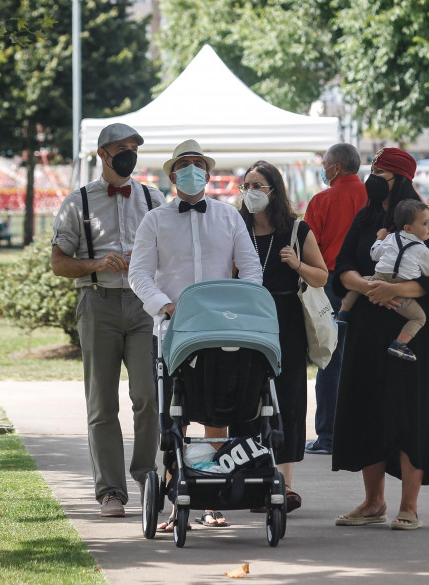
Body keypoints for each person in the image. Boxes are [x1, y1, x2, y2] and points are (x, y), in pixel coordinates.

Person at [129, 139, 263, 529]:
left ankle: (212, 496)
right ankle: (176, 501)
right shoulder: (154, 220)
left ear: (207, 171)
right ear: (172, 175)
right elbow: (138, 274)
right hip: (173, 329)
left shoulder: (228, 217)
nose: (193, 169)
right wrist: (164, 303)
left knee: (217, 411)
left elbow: (251, 267)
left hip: (222, 329)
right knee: (174, 416)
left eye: (198, 163)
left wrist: (242, 302)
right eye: (185, 164)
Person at [331, 147, 429, 531]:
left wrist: (391, 291)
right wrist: (370, 287)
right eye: (373, 169)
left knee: (409, 411)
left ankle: (409, 506)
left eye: (380, 171)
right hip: (368, 326)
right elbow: (343, 268)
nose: (372, 176)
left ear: (399, 178)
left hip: (410, 333)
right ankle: (372, 502)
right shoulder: (364, 219)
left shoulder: (428, 220)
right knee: (368, 408)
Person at [51, 123, 164, 517]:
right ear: (103, 154)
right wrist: (98, 262)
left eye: (134, 147)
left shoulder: (154, 198)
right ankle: (110, 491)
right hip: (97, 302)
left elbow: (170, 253)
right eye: (121, 147)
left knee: (149, 397)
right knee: (101, 402)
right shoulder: (77, 202)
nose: (129, 153)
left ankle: (146, 473)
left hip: (143, 305)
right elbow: (58, 263)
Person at [235, 160, 328, 512]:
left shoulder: (296, 230)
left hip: (286, 321)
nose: (251, 192)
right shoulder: (237, 227)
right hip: (246, 322)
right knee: (245, 398)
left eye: (258, 185)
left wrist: (297, 264)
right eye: (246, 186)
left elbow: (321, 276)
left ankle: (285, 486)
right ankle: (248, 479)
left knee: (287, 399)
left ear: (274, 190)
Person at [302, 143, 367, 455]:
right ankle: (364, 432)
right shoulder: (373, 198)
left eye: (325, 163)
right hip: (370, 286)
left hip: (330, 285)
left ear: (337, 167)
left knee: (330, 359)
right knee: (366, 359)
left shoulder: (321, 200)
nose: (323, 168)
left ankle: (328, 436)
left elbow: (308, 246)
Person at [337, 199, 429, 362]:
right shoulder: (423, 251)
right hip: (400, 288)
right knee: (419, 318)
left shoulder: (391, 238)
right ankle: (399, 344)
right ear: (408, 228)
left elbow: (374, 254)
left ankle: (343, 312)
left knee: (359, 285)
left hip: (378, 277)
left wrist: (380, 238)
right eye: (425, 223)